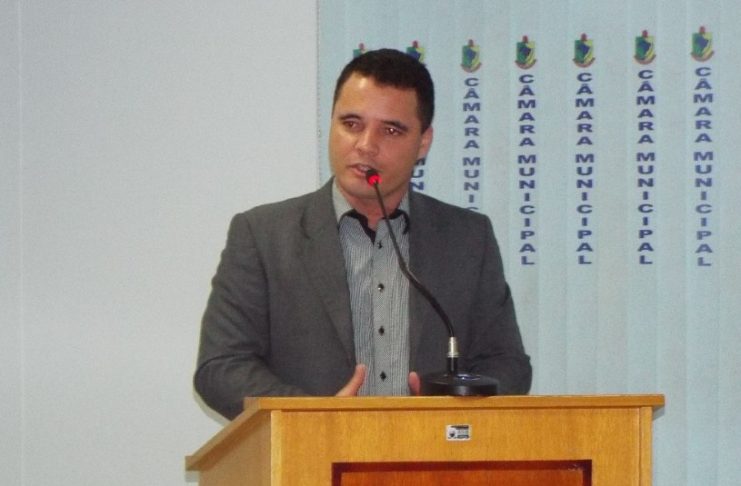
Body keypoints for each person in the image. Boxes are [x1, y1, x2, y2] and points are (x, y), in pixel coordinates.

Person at [194, 48, 531, 420]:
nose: (366, 145)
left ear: (423, 143)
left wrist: (452, 409)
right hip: (311, 454)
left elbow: (508, 364)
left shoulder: (468, 239)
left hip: (432, 452)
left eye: (391, 130)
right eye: (351, 124)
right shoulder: (263, 236)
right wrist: (316, 418)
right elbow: (221, 368)